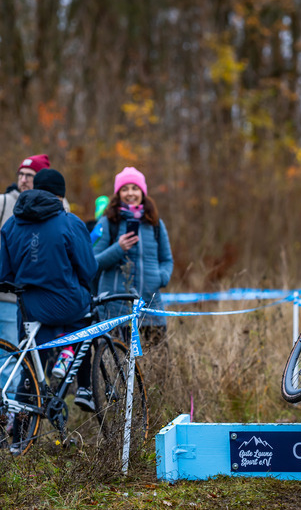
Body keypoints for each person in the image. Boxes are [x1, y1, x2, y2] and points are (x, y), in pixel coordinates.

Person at [0, 168, 98, 411]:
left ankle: (19, 441)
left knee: (30, 371)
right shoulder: (69, 222)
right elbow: (88, 268)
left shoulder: (12, 222)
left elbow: (4, 272)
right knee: (90, 307)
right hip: (65, 303)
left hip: (27, 309)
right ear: (60, 196)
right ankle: (73, 361)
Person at [92, 166, 173, 343]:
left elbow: (167, 259)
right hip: (115, 311)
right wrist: (118, 248)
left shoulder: (155, 223)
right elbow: (93, 263)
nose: (130, 193)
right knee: (117, 367)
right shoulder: (107, 222)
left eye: (135, 188)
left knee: (157, 365)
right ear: (118, 193)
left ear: (142, 193)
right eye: (125, 189)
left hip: (151, 309)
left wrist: (161, 278)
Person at [0, 155, 52, 344]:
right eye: (20, 174)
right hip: (5, 294)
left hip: (35, 297)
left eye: (29, 175)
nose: (23, 179)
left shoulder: (56, 206)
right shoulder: (3, 202)